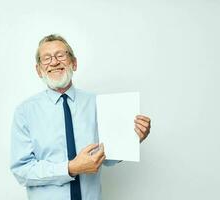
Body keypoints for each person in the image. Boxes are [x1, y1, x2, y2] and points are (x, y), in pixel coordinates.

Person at [10, 34, 151, 200]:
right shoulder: (25, 112)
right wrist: (70, 168)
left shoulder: (98, 103)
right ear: (39, 70)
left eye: (61, 55)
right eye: (46, 58)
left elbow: (108, 158)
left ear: (74, 63)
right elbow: (22, 171)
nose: (54, 62)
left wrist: (131, 139)